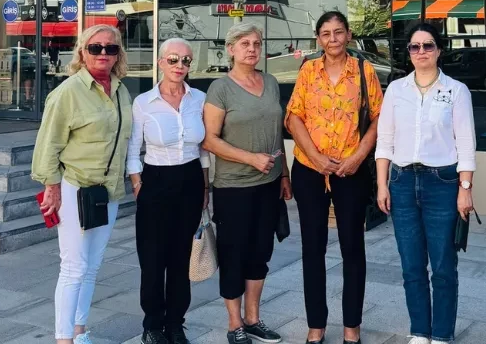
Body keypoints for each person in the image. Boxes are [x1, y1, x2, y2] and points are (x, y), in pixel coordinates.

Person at [284, 11, 383, 344]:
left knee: (352, 248)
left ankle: (352, 327)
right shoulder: (308, 70)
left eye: (338, 32)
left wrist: (358, 158)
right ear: (318, 39)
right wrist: (315, 157)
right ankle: (316, 325)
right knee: (313, 247)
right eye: (325, 34)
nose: (333, 39)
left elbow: (378, 118)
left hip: (349, 170)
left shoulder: (364, 71)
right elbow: (293, 116)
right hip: (310, 169)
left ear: (349, 35)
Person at [31, 24, 132, 344]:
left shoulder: (121, 90)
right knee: (74, 267)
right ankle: (63, 338)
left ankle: (79, 330)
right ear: (82, 52)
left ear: (118, 54)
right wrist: (52, 187)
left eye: (110, 48)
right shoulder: (68, 92)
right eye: (95, 47)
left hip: (107, 191)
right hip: (75, 187)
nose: (103, 53)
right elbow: (48, 145)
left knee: (92, 266)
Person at [375, 23, 476, 344]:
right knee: (412, 265)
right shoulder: (396, 90)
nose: (421, 52)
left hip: (442, 182)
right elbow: (384, 141)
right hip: (402, 181)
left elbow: (466, 143)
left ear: (439, 50)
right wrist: (382, 184)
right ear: (408, 52)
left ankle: (442, 334)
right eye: (415, 46)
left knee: (444, 265)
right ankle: (420, 331)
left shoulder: (456, 90)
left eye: (428, 45)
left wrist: (465, 189)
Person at [203, 23, 291, 344]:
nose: (252, 49)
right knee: (234, 254)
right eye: (244, 44)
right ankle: (234, 324)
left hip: (269, 184)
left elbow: (276, 135)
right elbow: (209, 140)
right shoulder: (220, 88)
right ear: (231, 49)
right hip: (233, 187)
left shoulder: (270, 82)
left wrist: (284, 174)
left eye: (256, 43)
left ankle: (253, 319)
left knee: (260, 252)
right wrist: (250, 158)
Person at [127, 38, 211, 344]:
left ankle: (175, 323)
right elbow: (133, 149)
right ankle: (152, 325)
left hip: (190, 179)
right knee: (152, 258)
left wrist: (205, 185)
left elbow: (203, 149)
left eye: (186, 60)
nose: (180, 65)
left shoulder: (199, 99)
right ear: (160, 62)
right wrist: (138, 184)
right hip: (155, 180)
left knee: (181, 257)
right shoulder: (144, 103)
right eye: (173, 59)